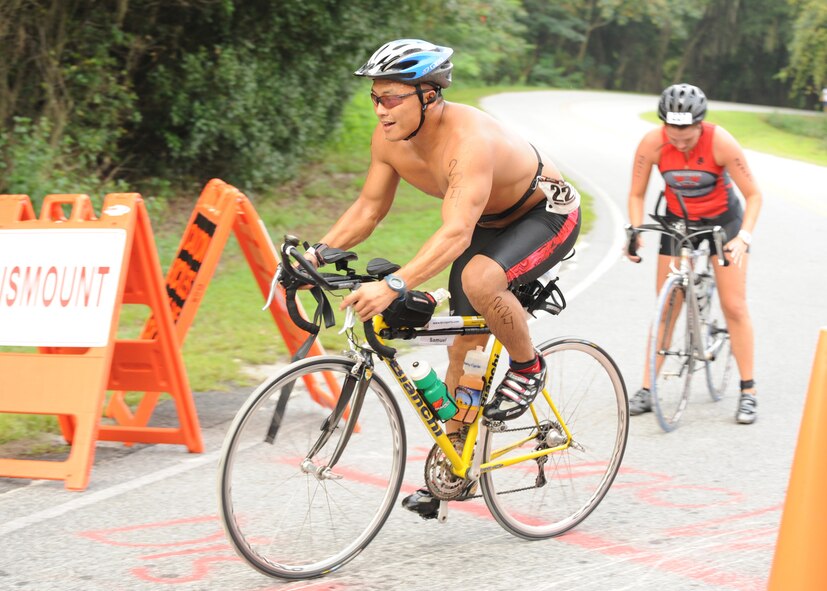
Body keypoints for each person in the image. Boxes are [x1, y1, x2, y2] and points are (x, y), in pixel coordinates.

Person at [302, 39, 581, 518]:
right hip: (488, 223)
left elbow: (454, 233)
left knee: (478, 279)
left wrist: (394, 284)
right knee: (465, 348)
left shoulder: (468, 141)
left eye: (391, 98)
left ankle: (528, 365)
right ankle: (454, 466)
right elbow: (369, 209)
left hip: (546, 212)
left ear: (428, 96)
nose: (380, 110)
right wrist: (314, 258)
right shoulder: (388, 139)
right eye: (375, 98)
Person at [624, 83, 762, 424]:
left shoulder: (720, 142)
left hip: (722, 223)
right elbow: (636, 194)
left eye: (687, 135)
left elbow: (755, 195)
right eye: (673, 134)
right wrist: (634, 230)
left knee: (734, 305)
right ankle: (647, 387)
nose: (680, 142)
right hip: (678, 221)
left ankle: (748, 390)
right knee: (667, 305)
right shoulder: (652, 143)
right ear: (663, 124)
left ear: (700, 123)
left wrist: (743, 237)